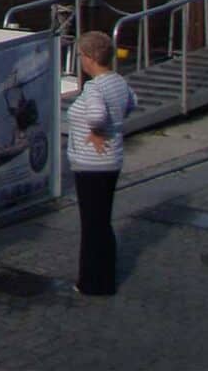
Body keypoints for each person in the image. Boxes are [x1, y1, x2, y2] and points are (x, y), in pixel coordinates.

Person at [67, 29, 138, 297]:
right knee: (102, 221)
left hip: (91, 164)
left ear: (90, 57)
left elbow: (96, 116)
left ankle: (92, 282)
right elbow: (132, 103)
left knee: (92, 225)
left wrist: (97, 130)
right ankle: (104, 276)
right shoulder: (119, 81)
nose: (80, 61)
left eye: (80, 55)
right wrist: (114, 126)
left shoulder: (94, 87)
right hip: (112, 160)